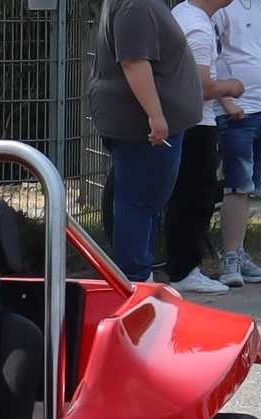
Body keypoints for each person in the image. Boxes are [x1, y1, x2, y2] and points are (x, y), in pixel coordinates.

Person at [90, 0, 204, 283]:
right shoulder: (136, 4)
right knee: (139, 203)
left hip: (145, 126)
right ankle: (135, 278)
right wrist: (155, 114)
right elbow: (133, 61)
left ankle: (139, 275)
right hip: (141, 128)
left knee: (145, 202)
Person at [165, 0, 247, 295]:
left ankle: (182, 266)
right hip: (196, 122)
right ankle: (185, 269)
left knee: (186, 195)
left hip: (183, 119)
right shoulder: (198, 28)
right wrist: (231, 86)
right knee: (195, 197)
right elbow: (200, 86)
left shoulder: (183, 13)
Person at [212, 0, 261, 285]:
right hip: (236, 112)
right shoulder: (220, 6)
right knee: (237, 186)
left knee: (249, 188)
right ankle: (230, 260)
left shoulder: (259, 5)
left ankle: (239, 254)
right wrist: (226, 101)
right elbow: (210, 57)